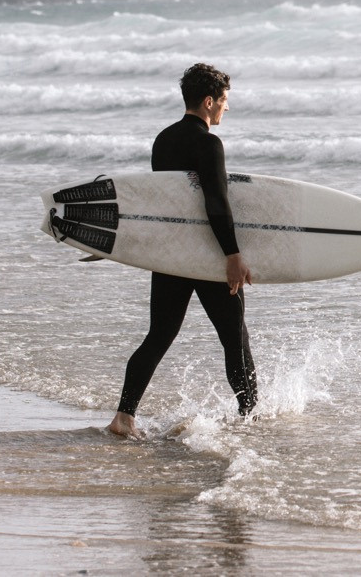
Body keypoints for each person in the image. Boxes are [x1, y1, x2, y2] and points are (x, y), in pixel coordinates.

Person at [108, 63, 256, 439]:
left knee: (159, 334)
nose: (226, 108)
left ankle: (124, 417)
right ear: (208, 102)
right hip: (206, 257)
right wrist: (233, 254)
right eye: (223, 101)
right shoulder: (209, 144)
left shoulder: (163, 140)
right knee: (235, 337)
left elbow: (165, 204)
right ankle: (250, 417)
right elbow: (216, 201)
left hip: (172, 254)